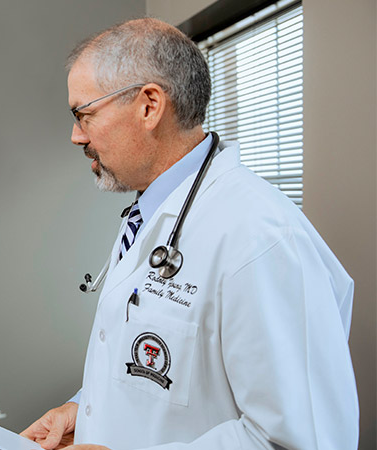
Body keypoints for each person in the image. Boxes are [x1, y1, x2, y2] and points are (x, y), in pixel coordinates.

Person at [21, 18, 358, 449]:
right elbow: (167, 372)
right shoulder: (152, 213)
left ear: (149, 106)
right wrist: (83, 409)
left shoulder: (260, 236)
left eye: (83, 113)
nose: (75, 135)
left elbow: (303, 439)